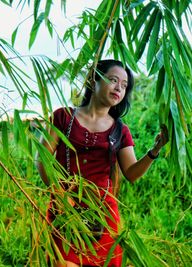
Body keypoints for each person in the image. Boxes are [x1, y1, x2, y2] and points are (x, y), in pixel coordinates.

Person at [36, 59, 168, 267]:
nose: (119, 88)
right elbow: (42, 159)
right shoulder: (63, 117)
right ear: (94, 79)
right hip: (65, 210)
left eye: (124, 86)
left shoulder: (120, 131)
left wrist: (155, 150)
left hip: (103, 215)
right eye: (113, 80)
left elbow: (132, 173)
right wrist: (61, 197)